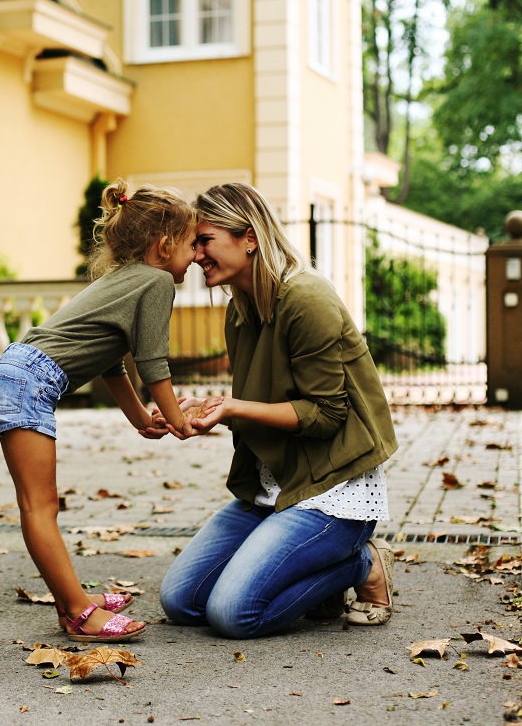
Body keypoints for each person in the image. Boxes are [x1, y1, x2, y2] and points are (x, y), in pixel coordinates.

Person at [154, 181, 397, 639]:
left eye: (204, 240)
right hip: (273, 490)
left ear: (248, 237)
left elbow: (327, 415)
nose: (196, 253)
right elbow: (256, 403)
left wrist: (231, 408)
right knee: (182, 601)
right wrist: (204, 411)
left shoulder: (307, 299)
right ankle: (310, 579)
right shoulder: (238, 310)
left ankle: (359, 563)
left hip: (330, 490)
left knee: (232, 614)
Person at [0, 179, 197, 643]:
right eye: (192, 244)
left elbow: (111, 365)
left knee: (38, 506)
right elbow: (152, 362)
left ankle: (72, 604)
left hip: (17, 373)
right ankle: (80, 612)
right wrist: (178, 420)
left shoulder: (122, 280)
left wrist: (142, 418)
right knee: (40, 507)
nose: (198, 255)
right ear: (164, 246)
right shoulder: (157, 281)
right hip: (29, 382)